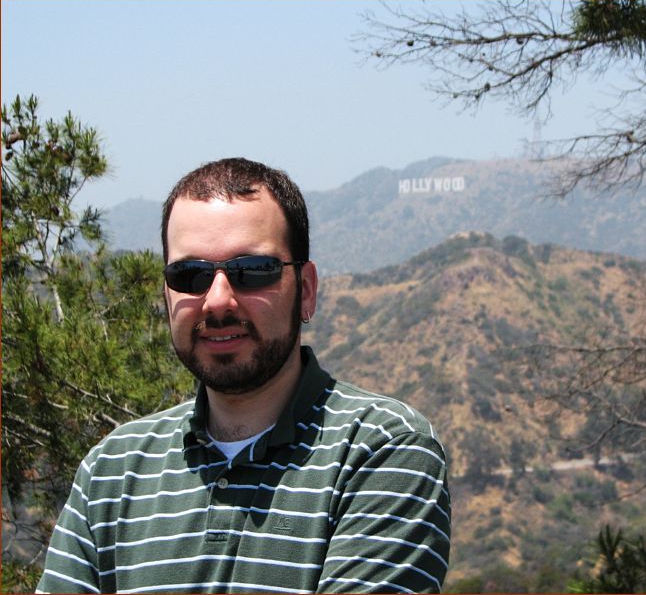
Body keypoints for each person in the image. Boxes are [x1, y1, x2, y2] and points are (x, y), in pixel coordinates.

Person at [36, 158, 450, 594]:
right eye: (190, 275)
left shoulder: (383, 452)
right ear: (166, 294)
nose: (217, 301)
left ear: (305, 290)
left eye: (252, 271)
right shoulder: (112, 471)